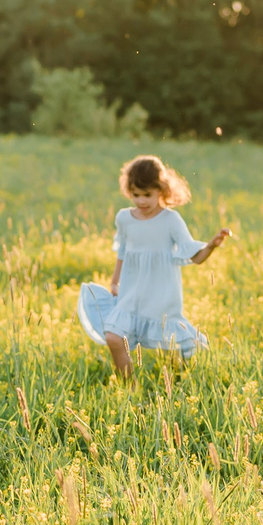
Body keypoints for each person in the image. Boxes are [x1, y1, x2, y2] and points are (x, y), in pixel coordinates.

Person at [77, 154, 232, 378]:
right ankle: (129, 388)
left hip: (161, 296)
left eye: (147, 195)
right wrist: (114, 281)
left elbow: (194, 256)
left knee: (173, 348)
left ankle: (182, 383)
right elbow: (122, 251)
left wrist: (212, 245)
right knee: (113, 336)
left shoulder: (171, 220)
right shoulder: (124, 218)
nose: (141, 201)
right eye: (135, 195)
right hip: (130, 294)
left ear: (162, 190)